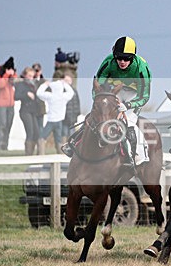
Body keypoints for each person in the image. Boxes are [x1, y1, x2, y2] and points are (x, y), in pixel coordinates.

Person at [62, 36, 152, 168]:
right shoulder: (108, 62)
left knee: (130, 124)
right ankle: (74, 143)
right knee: (96, 116)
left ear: (133, 57)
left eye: (126, 58)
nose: (122, 61)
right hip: (115, 92)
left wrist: (127, 106)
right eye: (119, 57)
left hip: (134, 95)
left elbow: (144, 96)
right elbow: (97, 85)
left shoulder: (141, 68)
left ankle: (137, 157)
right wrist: (98, 102)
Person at [37, 70, 74, 154]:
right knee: (59, 140)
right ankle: (60, 155)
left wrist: (45, 84)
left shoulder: (50, 95)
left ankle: (41, 155)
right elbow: (71, 92)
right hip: (59, 121)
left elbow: (39, 93)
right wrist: (65, 84)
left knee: (42, 138)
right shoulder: (63, 96)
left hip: (50, 120)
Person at [54, 48, 82, 138]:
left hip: (64, 101)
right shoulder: (73, 71)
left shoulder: (59, 73)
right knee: (71, 127)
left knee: (64, 128)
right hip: (73, 101)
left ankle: (63, 146)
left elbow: (55, 87)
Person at [14, 67, 41, 155]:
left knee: (36, 133)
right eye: (29, 75)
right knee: (30, 132)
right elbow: (16, 96)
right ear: (25, 75)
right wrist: (26, 94)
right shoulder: (21, 84)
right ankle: (28, 154)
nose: (30, 78)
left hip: (33, 111)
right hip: (25, 111)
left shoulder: (33, 85)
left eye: (32, 76)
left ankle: (37, 154)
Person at [0, 56, 17, 151]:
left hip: (10, 104)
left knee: (8, 125)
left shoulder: (11, 75)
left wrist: (12, 75)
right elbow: (0, 84)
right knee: (2, 124)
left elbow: (15, 82)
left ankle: (4, 146)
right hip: (0, 105)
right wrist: (6, 75)